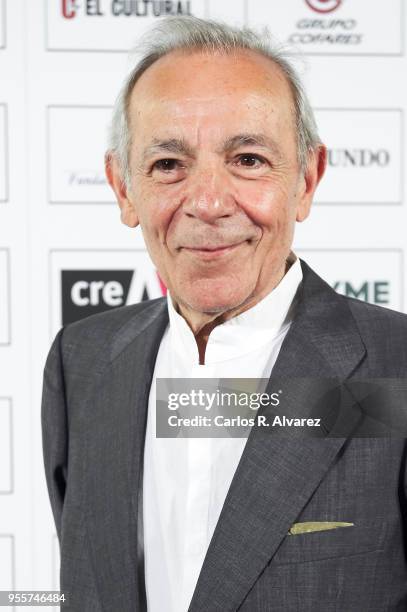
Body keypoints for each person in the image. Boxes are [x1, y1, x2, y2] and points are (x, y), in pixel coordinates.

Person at [42, 16, 407, 612]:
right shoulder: (79, 362)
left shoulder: (396, 369)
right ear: (123, 188)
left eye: (248, 159)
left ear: (306, 180)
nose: (208, 203)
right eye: (167, 165)